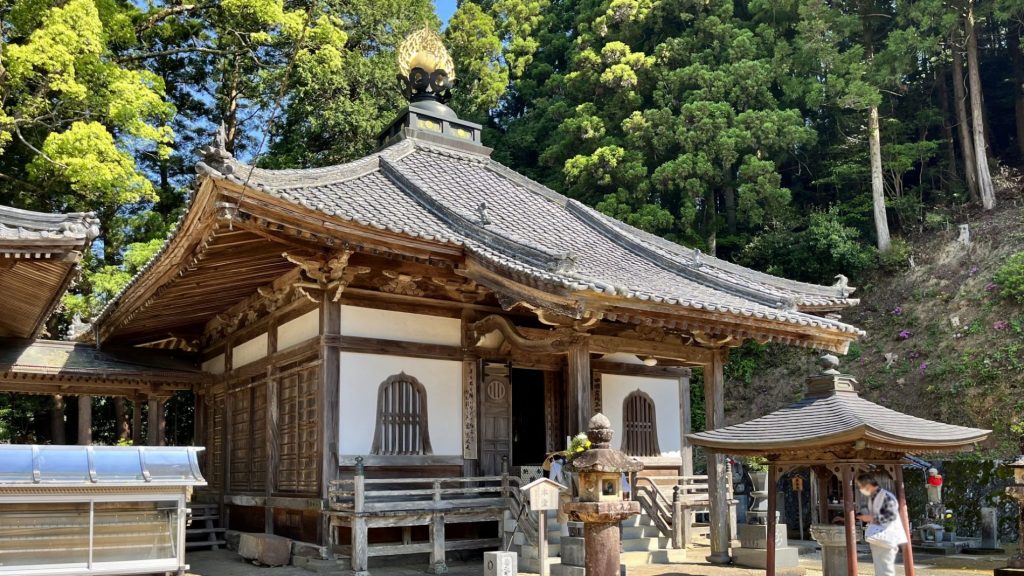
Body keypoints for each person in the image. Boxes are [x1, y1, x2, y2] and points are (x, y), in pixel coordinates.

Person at [856, 474, 906, 576]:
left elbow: (891, 516)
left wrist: (871, 518)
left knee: (886, 568)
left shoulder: (886, 497)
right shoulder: (873, 497)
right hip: (878, 537)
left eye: (860, 486)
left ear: (868, 485)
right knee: (879, 568)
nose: (860, 489)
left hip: (888, 536)